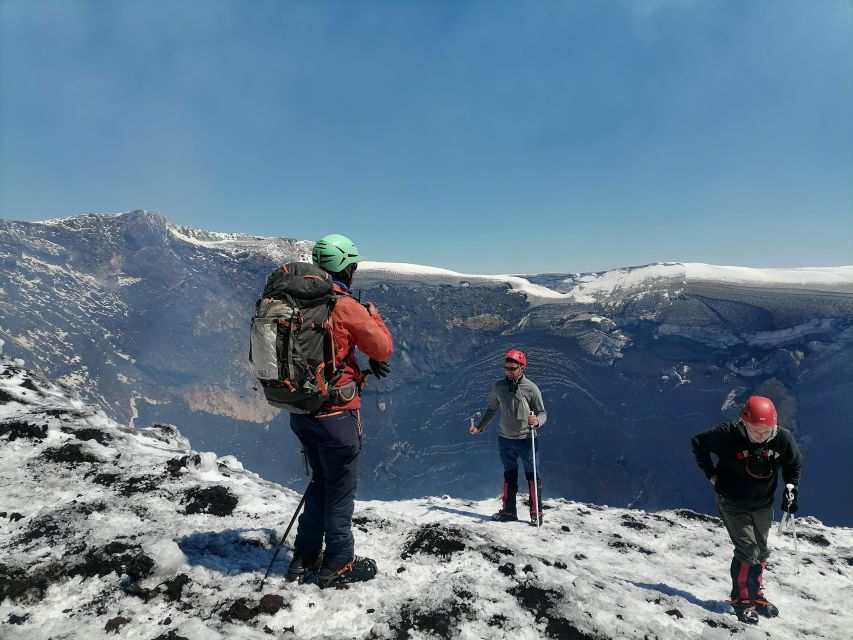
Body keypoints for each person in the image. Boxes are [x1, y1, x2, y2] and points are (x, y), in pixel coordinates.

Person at [285, 234, 393, 589]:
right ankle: (338, 562)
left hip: (301, 410)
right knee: (340, 490)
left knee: (320, 483)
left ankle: (303, 557)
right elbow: (383, 347)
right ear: (348, 266)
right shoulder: (342, 304)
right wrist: (374, 318)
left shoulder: (293, 301)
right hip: (336, 416)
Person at [691, 395, 803, 624]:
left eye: (766, 430)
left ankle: (756, 594)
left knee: (761, 550)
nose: (761, 436)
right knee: (747, 549)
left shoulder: (782, 438)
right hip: (732, 503)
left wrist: (791, 490)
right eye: (755, 430)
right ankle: (741, 599)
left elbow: (793, 463)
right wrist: (711, 475)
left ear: (775, 424)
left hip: (762, 504)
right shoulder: (728, 434)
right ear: (744, 423)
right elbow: (698, 444)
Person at [470, 349, 547, 525]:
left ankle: (537, 514)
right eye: (507, 368)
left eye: (513, 368)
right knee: (509, 475)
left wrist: (536, 422)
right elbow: (491, 409)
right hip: (505, 440)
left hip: (527, 439)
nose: (509, 371)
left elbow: (543, 413)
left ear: (522, 367)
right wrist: (479, 428)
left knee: (532, 476)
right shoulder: (499, 387)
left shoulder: (531, 388)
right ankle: (509, 512)